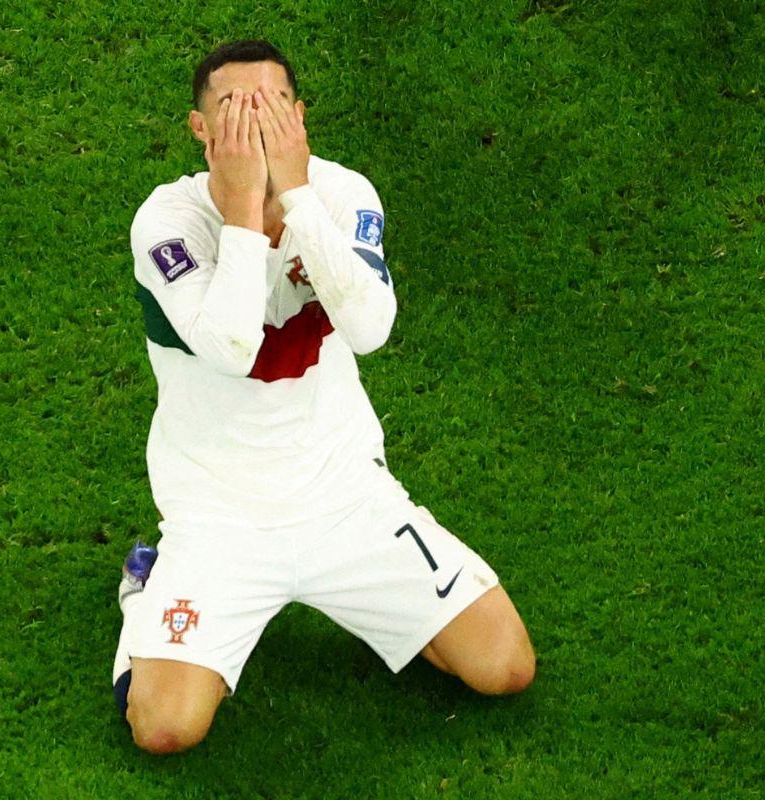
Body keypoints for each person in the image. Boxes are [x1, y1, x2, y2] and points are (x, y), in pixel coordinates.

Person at [114, 39, 535, 755]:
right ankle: (141, 597)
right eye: (232, 109)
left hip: (346, 498)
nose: (252, 124)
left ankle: (379, 607)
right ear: (200, 130)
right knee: (164, 729)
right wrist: (248, 207)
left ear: (300, 118)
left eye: (270, 107)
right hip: (220, 518)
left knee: (505, 667)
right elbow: (231, 348)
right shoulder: (167, 224)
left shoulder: (345, 197)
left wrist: (298, 199)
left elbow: (369, 329)